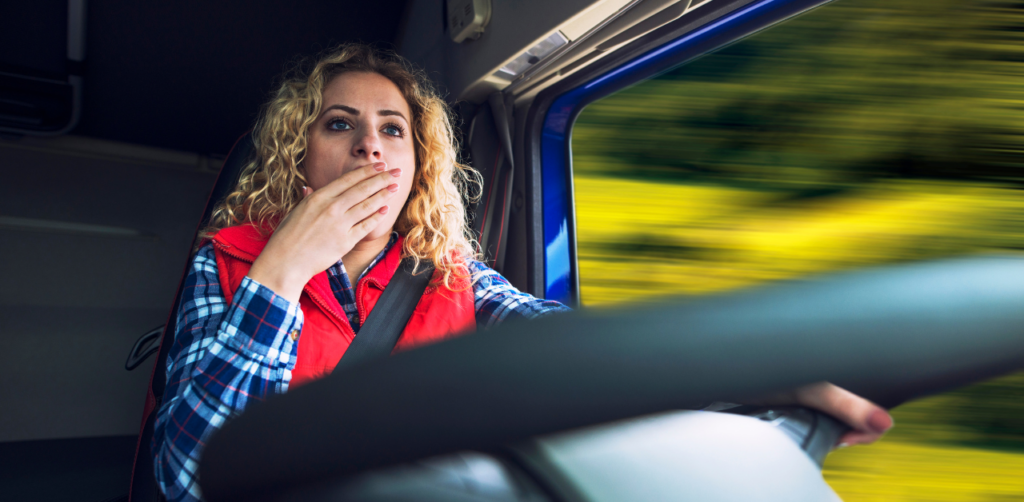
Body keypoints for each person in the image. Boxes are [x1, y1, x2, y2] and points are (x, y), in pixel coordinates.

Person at [151, 43, 893, 502]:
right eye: (339, 124)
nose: (370, 149)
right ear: (299, 153)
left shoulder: (452, 278)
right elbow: (186, 479)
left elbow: (575, 350)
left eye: (392, 129)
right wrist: (283, 270)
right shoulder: (231, 267)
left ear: (415, 166)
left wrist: (767, 372)